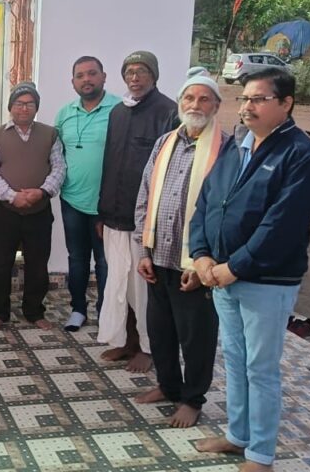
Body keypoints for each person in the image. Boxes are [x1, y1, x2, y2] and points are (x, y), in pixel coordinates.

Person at [192, 68, 310, 471]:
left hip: (265, 281)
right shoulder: (237, 145)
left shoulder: (300, 154)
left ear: (286, 103)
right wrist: (201, 254)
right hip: (221, 275)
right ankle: (238, 435)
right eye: (245, 98)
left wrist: (236, 266)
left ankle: (261, 454)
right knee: (234, 360)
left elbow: (282, 224)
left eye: (259, 99)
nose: (248, 106)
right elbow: (206, 202)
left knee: (260, 368)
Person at [131, 69, 229, 428]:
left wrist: (205, 264)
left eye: (204, 99)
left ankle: (193, 399)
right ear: (180, 103)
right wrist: (144, 251)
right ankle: (168, 385)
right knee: (161, 330)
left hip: (196, 265)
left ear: (216, 105)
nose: (195, 105)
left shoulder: (226, 149)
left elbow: (225, 211)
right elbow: (145, 195)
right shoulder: (165, 143)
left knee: (196, 336)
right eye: (189, 98)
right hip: (159, 257)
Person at [96, 50, 177, 373]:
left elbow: (170, 173)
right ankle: (125, 341)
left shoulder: (168, 112)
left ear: (153, 75)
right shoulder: (118, 112)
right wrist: (101, 212)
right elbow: (108, 164)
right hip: (113, 217)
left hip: (144, 222)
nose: (135, 77)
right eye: (129, 72)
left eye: (142, 71)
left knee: (144, 289)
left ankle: (148, 347)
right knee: (118, 283)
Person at [0, 82, 65, 330]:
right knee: (0, 265)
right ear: (10, 107)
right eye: (19, 103)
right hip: (6, 212)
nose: (24, 108)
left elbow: (59, 167)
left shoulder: (50, 134)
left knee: (38, 265)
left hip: (39, 211)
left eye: (30, 104)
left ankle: (34, 311)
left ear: (36, 107)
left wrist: (41, 192)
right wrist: (12, 196)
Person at [54, 56, 120, 331]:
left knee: (105, 262)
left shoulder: (119, 110)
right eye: (80, 76)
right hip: (72, 200)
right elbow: (57, 154)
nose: (86, 80)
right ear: (73, 82)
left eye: (92, 73)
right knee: (77, 258)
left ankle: (106, 313)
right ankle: (78, 309)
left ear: (103, 77)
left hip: (107, 205)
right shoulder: (64, 113)